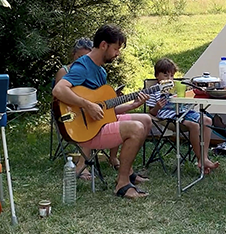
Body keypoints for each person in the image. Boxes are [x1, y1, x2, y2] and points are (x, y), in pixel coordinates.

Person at [52, 25, 153, 199]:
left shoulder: (101, 71)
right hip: (85, 130)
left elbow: (106, 110)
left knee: (146, 120)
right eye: (116, 48)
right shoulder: (83, 66)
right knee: (136, 128)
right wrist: (86, 105)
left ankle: (128, 172)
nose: (117, 53)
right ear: (104, 45)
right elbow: (59, 90)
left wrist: (132, 105)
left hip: (99, 123)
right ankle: (122, 184)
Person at [54, 37, 120, 173]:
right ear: (74, 55)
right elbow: (58, 97)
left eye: (86, 56)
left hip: (90, 111)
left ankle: (114, 158)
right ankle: (82, 164)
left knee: (114, 115)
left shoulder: (100, 71)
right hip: (72, 114)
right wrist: (86, 105)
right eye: (80, 57)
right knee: (92, 120)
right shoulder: (66, 71)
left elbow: (98, 98)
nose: (83, 59)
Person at [146, 58, 220, 174]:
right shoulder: (153, 90)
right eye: (165, 75)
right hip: (169, 117)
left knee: (207, 121)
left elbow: (185, 102)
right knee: (194, 126)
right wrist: (157, 107)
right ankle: (200, 159)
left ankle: (204, 157)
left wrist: (184, 96)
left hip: (184, 112)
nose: (169, 79)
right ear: (157, 75)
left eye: (171, 76)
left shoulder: (177, 87)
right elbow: (152, 113)